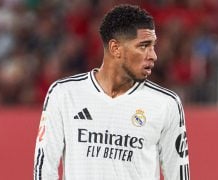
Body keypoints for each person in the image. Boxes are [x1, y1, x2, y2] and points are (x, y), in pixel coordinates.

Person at [34, 4, 190, 180]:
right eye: (143, 46)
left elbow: (178, 174)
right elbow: (44, 168)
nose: (153, 55)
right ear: (116, 48)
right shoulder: (64, 94)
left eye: (153, 46)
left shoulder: (166, 104)